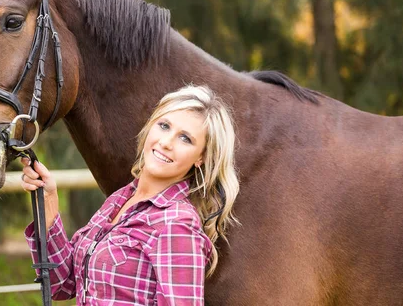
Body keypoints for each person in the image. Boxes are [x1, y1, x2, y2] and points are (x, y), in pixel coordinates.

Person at [20, 85, 240, 305]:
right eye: (164, 126)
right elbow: (63, 284)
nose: (166, 143)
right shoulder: (119, 200)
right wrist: (48, 202)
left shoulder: (177, 223)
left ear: (200, 158)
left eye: (185, 139)